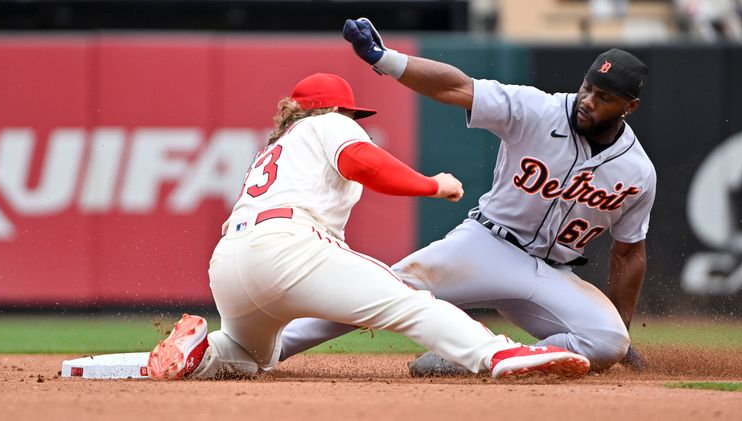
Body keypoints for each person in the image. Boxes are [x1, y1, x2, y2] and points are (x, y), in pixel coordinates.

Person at [147, 72, 591, 380]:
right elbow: (363, 161)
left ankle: (201, 354)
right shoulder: (328, 123)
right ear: (336, 109)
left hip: (229, 263)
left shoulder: (279, 145)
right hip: (288, 246)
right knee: (411, 302)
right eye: (351, 115)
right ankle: (498, 353)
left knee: (251, 356)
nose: (355, 123)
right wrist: (432, 185)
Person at [278, 18, 656, 375]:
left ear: (630, 107)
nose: (587, 100)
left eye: (603, 96)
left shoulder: (637, 172)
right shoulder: (537, 110)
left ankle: (472, 358)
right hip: (486, 246)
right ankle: (263, 348)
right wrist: (385, 59)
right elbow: (456, 87)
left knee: (606, 343)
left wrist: (621, 330)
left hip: (552, 274)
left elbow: (628, 252)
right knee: (379, 292)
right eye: (588, 87)